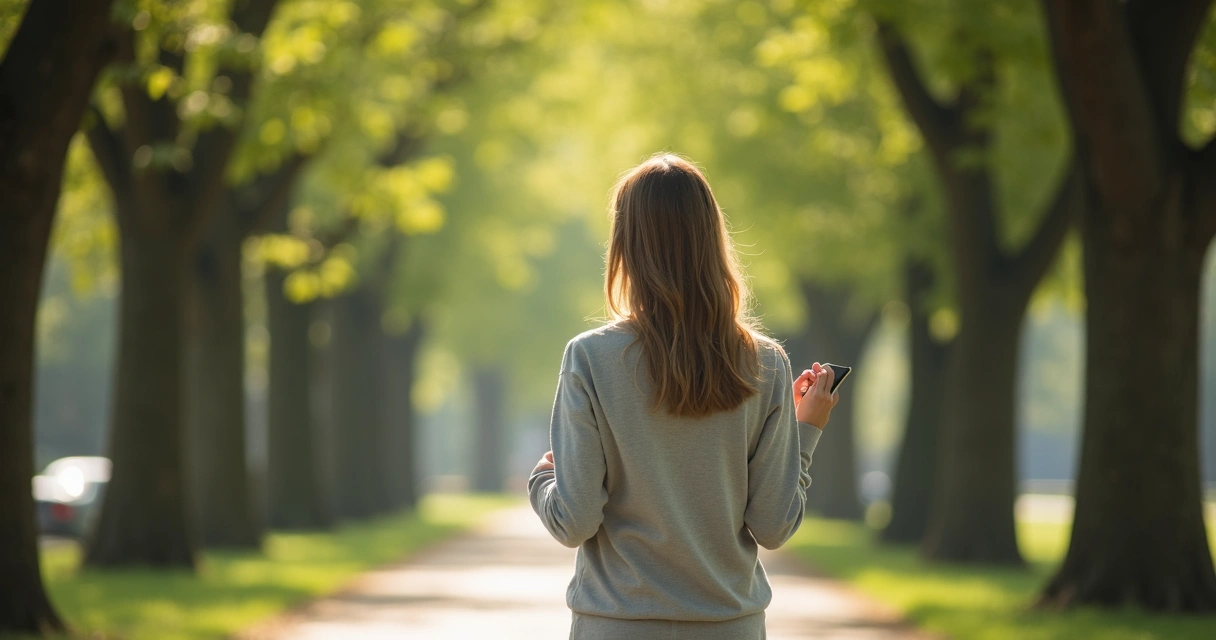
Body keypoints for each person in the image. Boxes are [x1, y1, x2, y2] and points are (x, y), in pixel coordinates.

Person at [527, 153, 840, 639]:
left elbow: (574, 522)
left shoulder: (590, 357)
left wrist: (543, 477)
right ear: (712, 239)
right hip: (728, 626)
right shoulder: (765, 362)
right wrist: (806, 431)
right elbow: (774, 526)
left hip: (617, 625)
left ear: (624, 245)